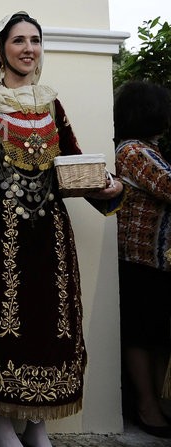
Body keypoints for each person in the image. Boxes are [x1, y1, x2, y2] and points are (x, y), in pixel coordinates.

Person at [0, 12, 124, 447]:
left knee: (50, 326)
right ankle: (0, 425)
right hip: (1, 233)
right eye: (18, 41)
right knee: (2, 322)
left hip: (49, 235)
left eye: (35, 40)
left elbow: (72, 164)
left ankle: (37, 424)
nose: (28, 48)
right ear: (0, 50)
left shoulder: (50, 104)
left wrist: (107, 188)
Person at [113, 80, 171, 437]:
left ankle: (153, 405)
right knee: (142, 334)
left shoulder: (148, 149)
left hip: (155, 261)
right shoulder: (133, 151)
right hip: (140, 259)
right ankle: (147, 407)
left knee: (157, 335)